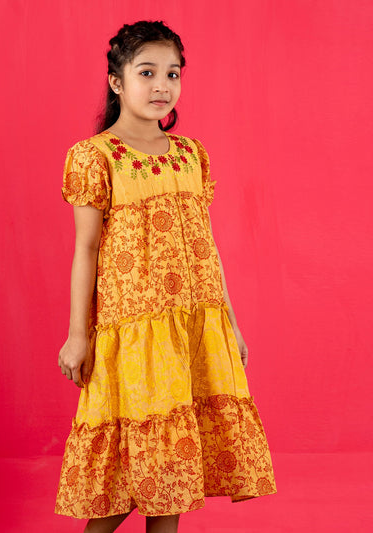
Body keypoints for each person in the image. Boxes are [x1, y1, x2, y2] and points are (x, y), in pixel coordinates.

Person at [55, 20, 277, 533]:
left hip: (195, 327)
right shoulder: (95, 157)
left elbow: (206, 246)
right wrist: (77, 334)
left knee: (174, 468)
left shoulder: (191, 154)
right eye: (147, 72)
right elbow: (86, 249)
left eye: (172, 74)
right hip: (135, 331)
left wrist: (231, 324)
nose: (162, 86)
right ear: (116, 81)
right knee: (137, 467)